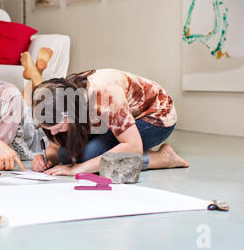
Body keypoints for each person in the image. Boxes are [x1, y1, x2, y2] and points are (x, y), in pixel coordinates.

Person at [31, 68, 189, 175]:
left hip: (156, 116)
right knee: (67, 154)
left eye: (57, 126)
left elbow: (133, 147)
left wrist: (77, 169)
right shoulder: (64, 97)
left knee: (90, 156)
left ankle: (163, 158)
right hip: (116, 118)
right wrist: (47, 158)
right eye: (48, 129)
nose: (52, 133)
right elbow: (56, 145)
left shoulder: (106, 95)